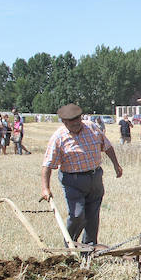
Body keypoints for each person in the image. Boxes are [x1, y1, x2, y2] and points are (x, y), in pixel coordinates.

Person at [40, 103, 123, 247]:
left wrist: (116, 165)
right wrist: (45, 188)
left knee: (92, 216)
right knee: (77, 215)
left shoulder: (92, 127)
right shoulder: (58, 137)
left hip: (95, 177)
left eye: (77, 119)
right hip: (73, 181)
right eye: (71, 121)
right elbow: (47, 165)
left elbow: (107, 147)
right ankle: (70, 245)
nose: (76, 123)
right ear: (64, 122)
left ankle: (89, 247)